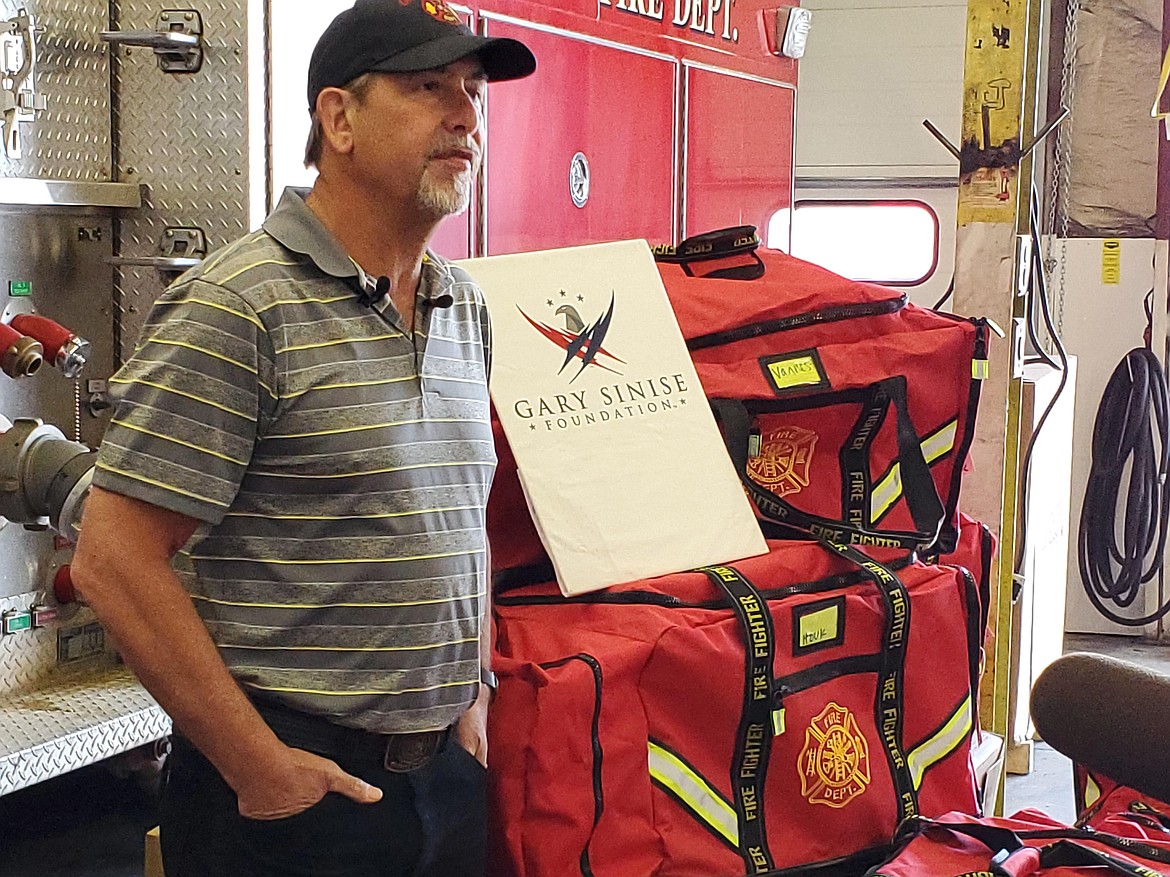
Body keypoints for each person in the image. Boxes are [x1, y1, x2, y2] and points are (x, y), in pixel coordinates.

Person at [69, 1, 535, 874]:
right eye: (428, 87)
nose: (466, 114)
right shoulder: (240, 306)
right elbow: (113, 560)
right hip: (294, 799)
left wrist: (471, 692)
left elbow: (454, 525)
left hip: (444, 778)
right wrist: (256, 764)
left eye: (473, 91)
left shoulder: (461, 303)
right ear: (340, 118)